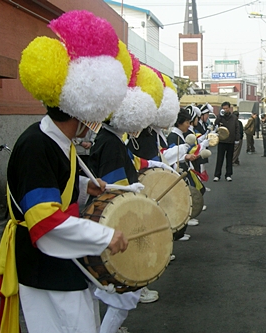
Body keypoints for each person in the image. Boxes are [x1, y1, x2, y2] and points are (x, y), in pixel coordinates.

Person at [0, 11, 129, 333]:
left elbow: (54, 185)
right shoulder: (35, 145)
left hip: (61, 261)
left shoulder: (59, 141)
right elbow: (44, 219)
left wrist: (86, 188)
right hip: (44, 263)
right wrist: (105, 235)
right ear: (80, 107)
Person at [89, 63, 165, 332]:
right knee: (124, 294)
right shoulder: (109, 144)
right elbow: (114, 194)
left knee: (105, 289)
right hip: (117, 223)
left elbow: (133, 166)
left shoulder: (111, 140)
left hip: (110, 222)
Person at [213, 102, 240, 181]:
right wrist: (220, 116)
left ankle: (228, 174)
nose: (225, 110)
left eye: (226, 108)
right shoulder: (220, 116)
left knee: (229, 158)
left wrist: (237, 139)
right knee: (219, 158)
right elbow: (216, 124)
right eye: (223, 108)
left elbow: (237, 128)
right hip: (222, 141)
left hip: (231, 141)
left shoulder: (234, 118)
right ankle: (217, 175)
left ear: (229, 108)